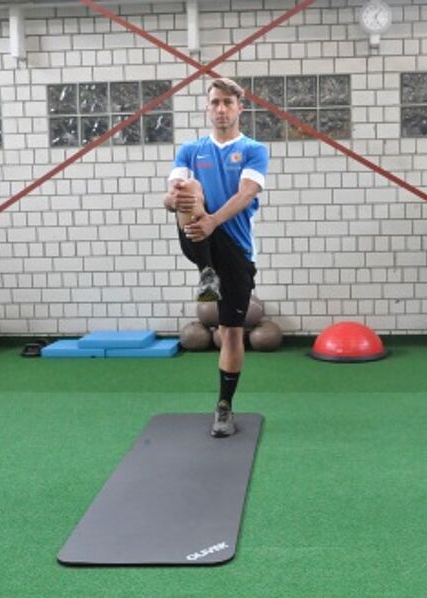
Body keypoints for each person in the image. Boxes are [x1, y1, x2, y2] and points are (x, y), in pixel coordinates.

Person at [163, 78, 269, 437]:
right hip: (197, 236)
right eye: (215, 103)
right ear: (207, 108)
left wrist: (213, 221)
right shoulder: (191, 150)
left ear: (240, 108)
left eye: (227, 102)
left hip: (235, 248)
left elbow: (246, 193)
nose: (221, 109)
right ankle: (206, 270)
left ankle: (224, 406)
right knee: (188, 187)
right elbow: (170, 194)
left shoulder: (254, 149)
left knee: (231, 332)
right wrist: (172, 199)